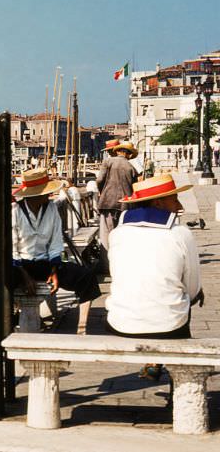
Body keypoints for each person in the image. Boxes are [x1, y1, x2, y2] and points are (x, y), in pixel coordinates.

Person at [105, 173, 204, 378]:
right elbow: (192, 288)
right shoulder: (180, 233)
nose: (179, 206)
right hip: (168, 325)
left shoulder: (117, 233)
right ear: (158, 203)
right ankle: (179, 383)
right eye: (174, 199)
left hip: (121, 322)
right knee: (184, 303)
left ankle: (156, 362)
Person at [12, 168, 101, 334]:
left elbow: (55, 242)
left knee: (85, 276)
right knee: (2, 281)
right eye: (45, 193)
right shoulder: (15, 211)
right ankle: (10, 320)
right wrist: (26, 277)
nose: (48, 196)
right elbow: (12, 247)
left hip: (45, 263)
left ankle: (81, 327)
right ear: (35, 195)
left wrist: (53, 270)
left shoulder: (51, 209)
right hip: (20, 266)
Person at [96, 141, 137, 259]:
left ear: (118, 151)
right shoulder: (131, 167)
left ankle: (106, 265)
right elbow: (135, 187)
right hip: (125, 205)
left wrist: (102, 192)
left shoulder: (107, 162)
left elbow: (99, 180)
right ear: (128, 154)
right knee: (122, 235)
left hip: (107, 202)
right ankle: (121, 261)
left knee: (106, 235)